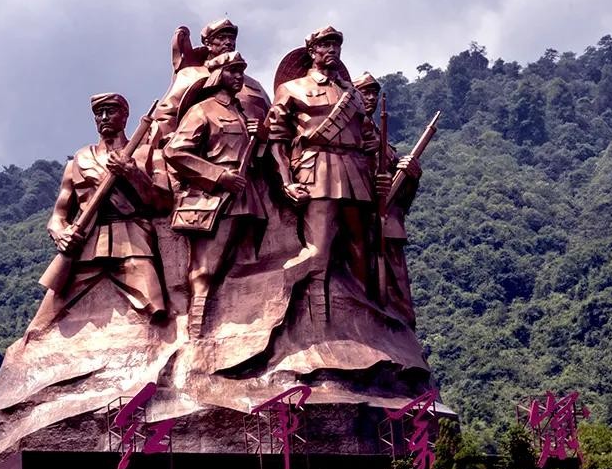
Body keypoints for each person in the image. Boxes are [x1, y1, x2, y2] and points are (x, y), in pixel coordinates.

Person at [30, 93, 168, 332]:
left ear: (125, 116)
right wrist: (61, 234)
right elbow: (58, 215)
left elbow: (162, 203)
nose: (103, 117)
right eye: (98, 113)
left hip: (133, 240)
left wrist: (132, 173)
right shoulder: (78, 161)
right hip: (87, 243)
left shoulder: (148, 154)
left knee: (157, 309)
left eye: (110, 111)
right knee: (42, 322)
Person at [267, 26, 378, 315]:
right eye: (325, 45)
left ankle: (365, 312)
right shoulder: (292, 89)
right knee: (319, 247)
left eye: (335, 45)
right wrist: (286, 182)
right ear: (312, 51)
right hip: (316, 169)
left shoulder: (352, 94)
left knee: (361, 244)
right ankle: (300, 300)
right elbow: (276, 141)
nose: (331, 50)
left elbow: (367, 135)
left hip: (355, 171)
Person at [163, 52, 267, 337]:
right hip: (216, 199)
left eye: (242, 71)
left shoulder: (242, 112)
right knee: (205, 269)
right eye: (233, 71)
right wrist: (218, 176)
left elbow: (254, 156)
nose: (239, 76)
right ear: (219, 75)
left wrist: (261, 136)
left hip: (247, 196)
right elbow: (174, 151)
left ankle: (236, 330)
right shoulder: (202, 110)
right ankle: (196, 331)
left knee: (245, 265)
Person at [353, 72, 422, 326]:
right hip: (363, 214)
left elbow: (402, 194)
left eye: (374, 93)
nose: (370, 98)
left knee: (397, 285)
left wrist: (410, 175)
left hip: (389, 216)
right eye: (365, 92)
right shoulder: (350, 130)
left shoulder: (379, 135)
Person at [154, 19, 269, 140]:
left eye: (231, 38)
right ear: (208, 43)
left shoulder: (254, 85)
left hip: (254, 147)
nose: (228, 42)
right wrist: (169, 139)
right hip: (206, 145)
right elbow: (167, 114)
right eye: (221, 38)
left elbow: (271, 118)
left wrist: (265, 133)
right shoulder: (192, 74)